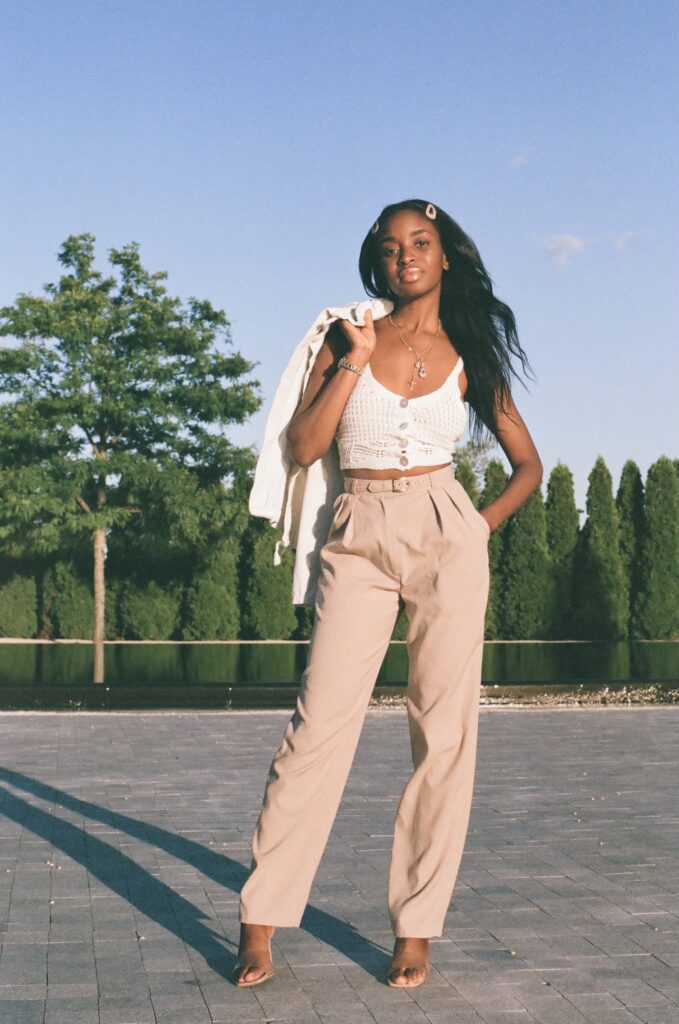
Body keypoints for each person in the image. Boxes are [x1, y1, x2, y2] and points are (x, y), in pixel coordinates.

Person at [234, 198, 543, 989]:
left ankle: (416, 928)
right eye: (392, 244)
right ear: (378, 259)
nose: (406, 255)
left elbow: (527, 467)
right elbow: (303, 448)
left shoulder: (470, 348)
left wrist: (476, 527)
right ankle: (261, 918)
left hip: (445, 529)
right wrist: (350, 358)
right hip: (359, 532)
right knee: (317, 726)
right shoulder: (346, 332)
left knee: (443, 735)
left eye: (421, 242)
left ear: (446, 258)